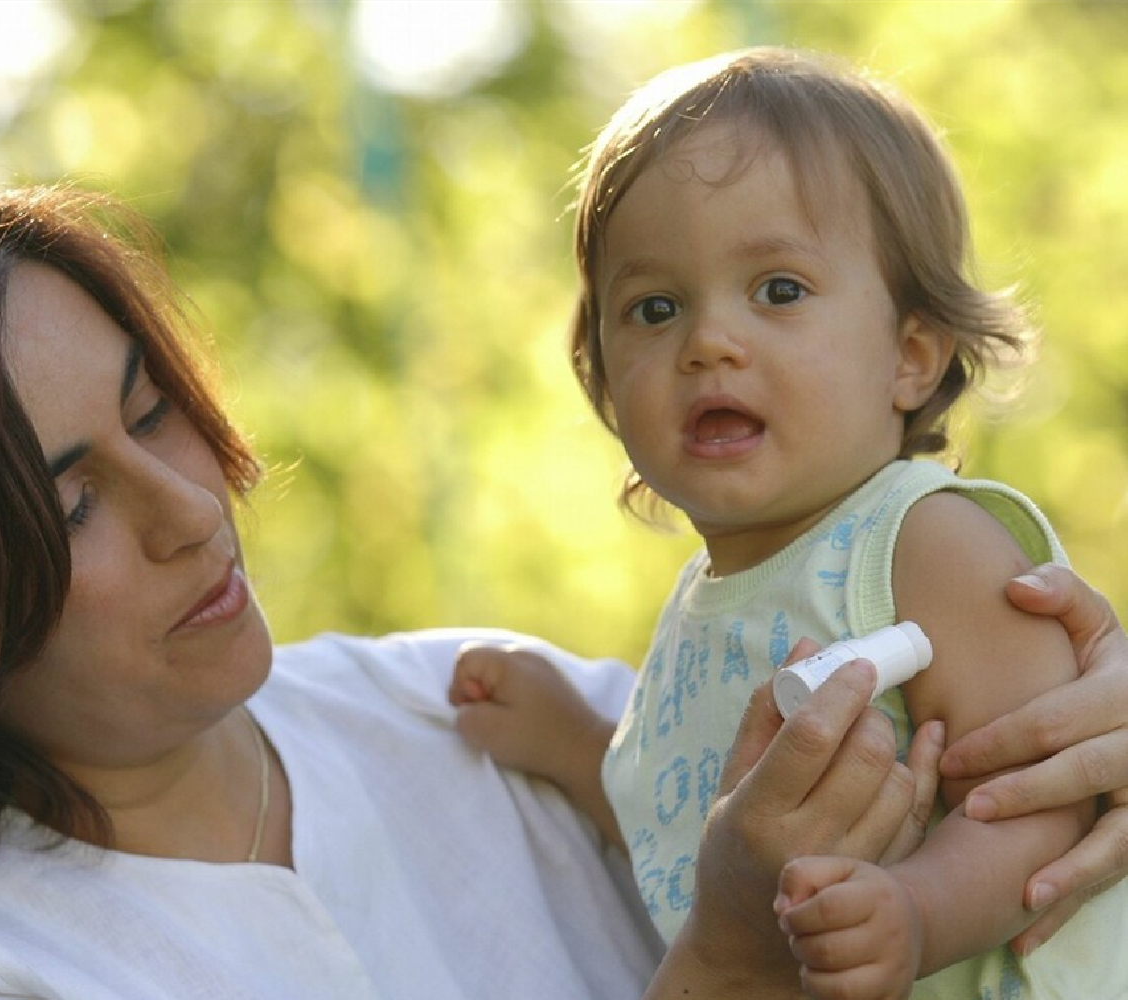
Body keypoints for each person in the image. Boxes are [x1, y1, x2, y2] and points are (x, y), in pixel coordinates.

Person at [0, 182, 1127, 1000]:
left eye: (157, 412)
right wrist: (731, 963)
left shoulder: (462, 705)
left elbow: (965, 811)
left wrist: (1082, 730)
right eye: (70, 498)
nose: (187, 511)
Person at [451, 47, 1128, 1000]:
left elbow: (1045, 794)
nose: (708, 342)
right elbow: (696, 834)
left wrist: (920, 911)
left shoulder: (926, 544)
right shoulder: (703, 607)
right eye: (654, 308)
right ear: (604, 380)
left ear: (911, 356)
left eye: (778, 290)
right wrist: (574, 744)